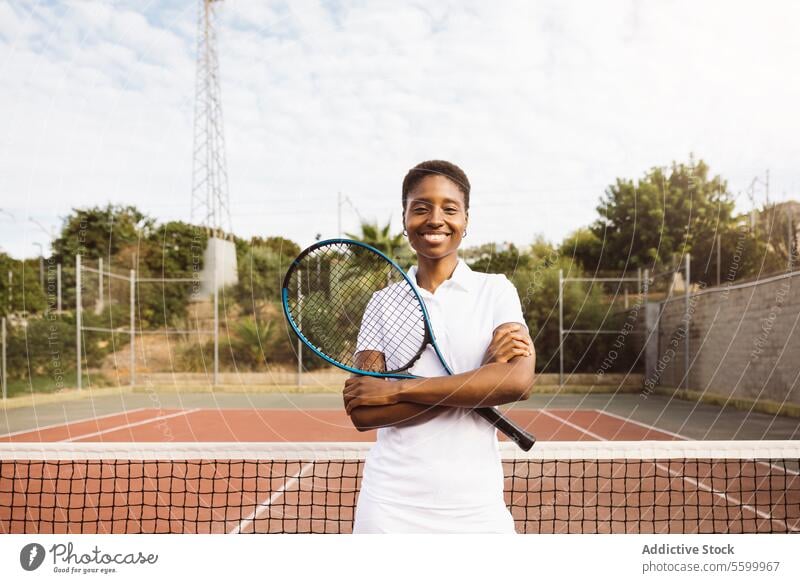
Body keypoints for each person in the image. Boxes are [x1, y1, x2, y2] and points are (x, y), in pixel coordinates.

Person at [342, 160, 536, 534]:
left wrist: (398, 389)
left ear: (466, 220)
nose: (435, 219)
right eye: (420, 208)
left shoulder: (496, 290)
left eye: (449, 208)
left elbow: (518, 383)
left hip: (477, 507)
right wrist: (480, 381)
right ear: (404, 219)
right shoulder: (382, 303)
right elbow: (364, 413)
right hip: (389, 506)